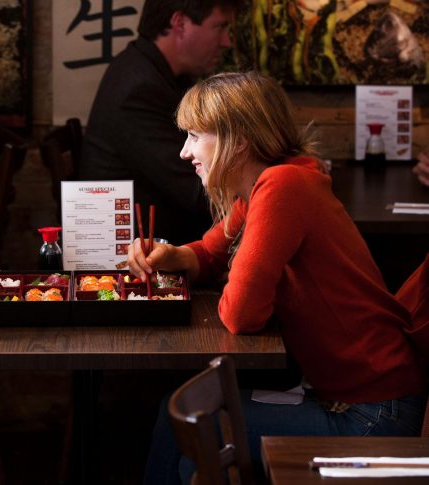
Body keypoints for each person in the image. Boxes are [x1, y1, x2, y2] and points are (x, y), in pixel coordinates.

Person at [128, 71, 428, 484]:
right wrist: (168, 255)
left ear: (239, 140)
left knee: (188, 425)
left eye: (195, 136)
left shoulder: (282, 185)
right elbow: (207, 254)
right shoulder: (267, 184)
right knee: (181, 430)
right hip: (350, 397)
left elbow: (242, 315)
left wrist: (232, 277)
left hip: (372, 414)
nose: (184, 152)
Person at [80, 0, 243, 245]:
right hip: (139, 252)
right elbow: (195, 192)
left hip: (168, 234)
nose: (226, 41)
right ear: (179, 23)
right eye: (219, 27)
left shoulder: (157, 73)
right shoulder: (139, 87)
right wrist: (259, 190)